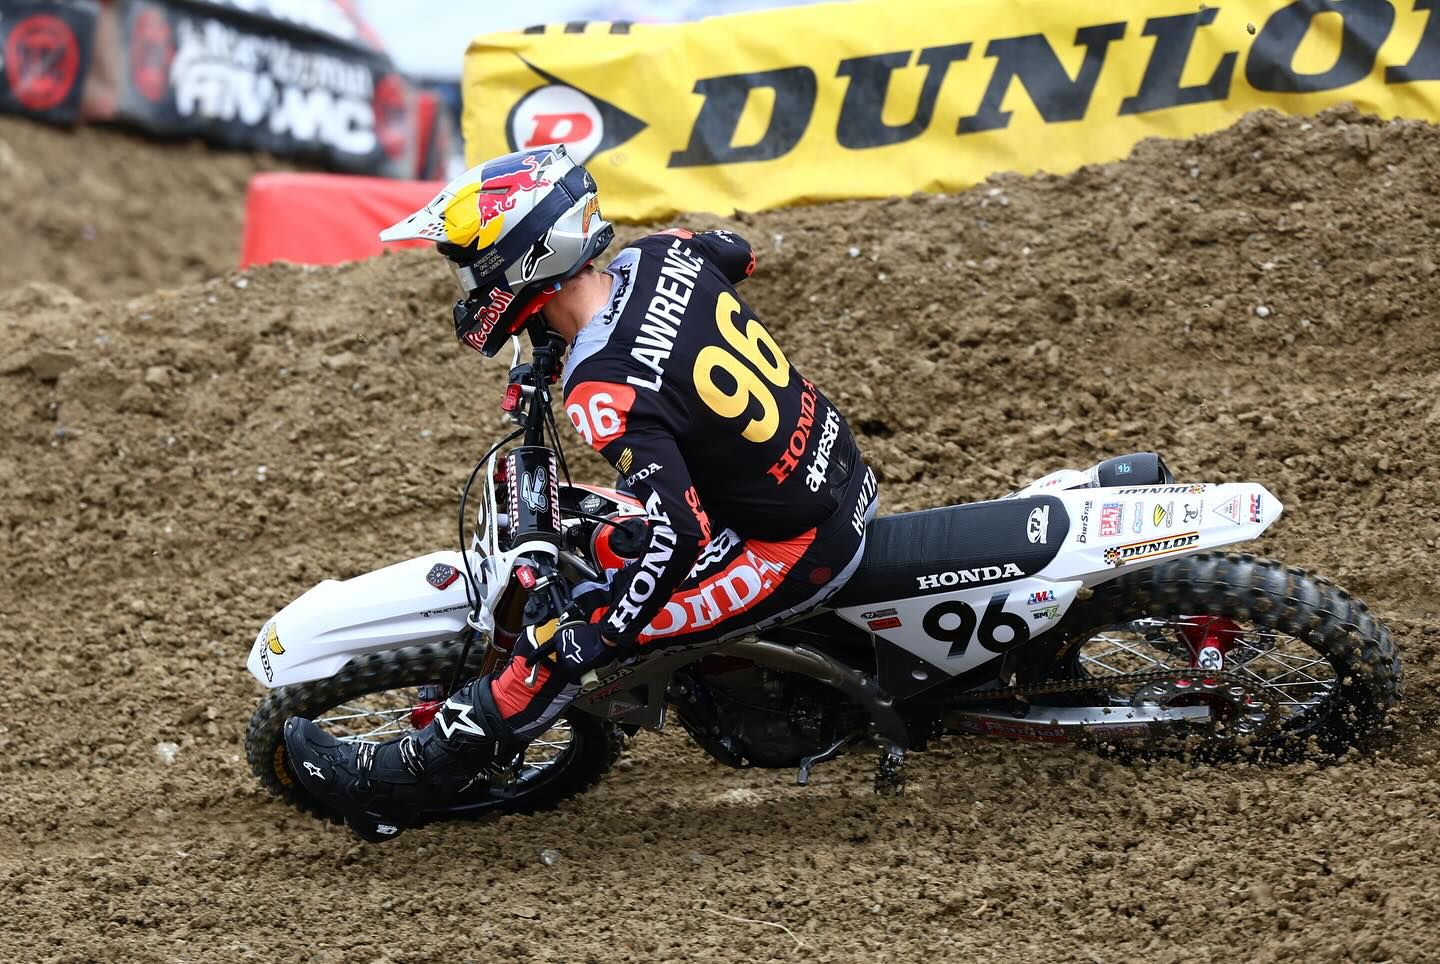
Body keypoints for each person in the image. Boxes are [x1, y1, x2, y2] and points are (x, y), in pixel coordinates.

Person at [284, 145, 878, 841]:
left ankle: (396, 786)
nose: (467, 286)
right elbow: (733, 250)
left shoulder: (601, 385)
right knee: (599, 529)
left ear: (526, 258)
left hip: (790, 546)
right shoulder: (661, 253)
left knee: (559, 644)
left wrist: (598, 631)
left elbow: (681, 535)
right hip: (827, 468)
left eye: (471, 266)